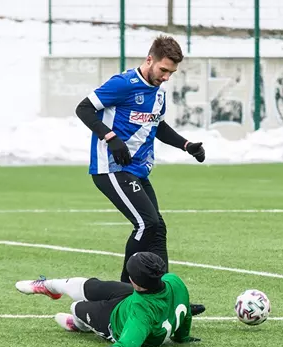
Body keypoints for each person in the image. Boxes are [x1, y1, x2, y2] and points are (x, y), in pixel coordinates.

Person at [74, 35, 206, 312]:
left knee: (157, 229)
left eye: (171, 73)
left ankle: (165, 298)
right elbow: (83, 109)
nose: (166, 77)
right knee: (147, 224)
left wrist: (186, 145)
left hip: (138, 171)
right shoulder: (123, 84)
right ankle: (123, 294)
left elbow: (158, 126)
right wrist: (110, 137)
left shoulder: (159, 92)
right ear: (149, 60)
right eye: (164, 70)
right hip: (111, 168)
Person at [15, 252, 200, 347]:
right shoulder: (174, 281)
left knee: (77, 307)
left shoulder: (142, 311)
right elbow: (185, 313)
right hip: (130, 300)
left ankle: (78, 324)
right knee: (93, 286)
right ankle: (49, 286)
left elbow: (132, 338)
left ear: (136, 281)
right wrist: (182, 337)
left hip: (114, 322)